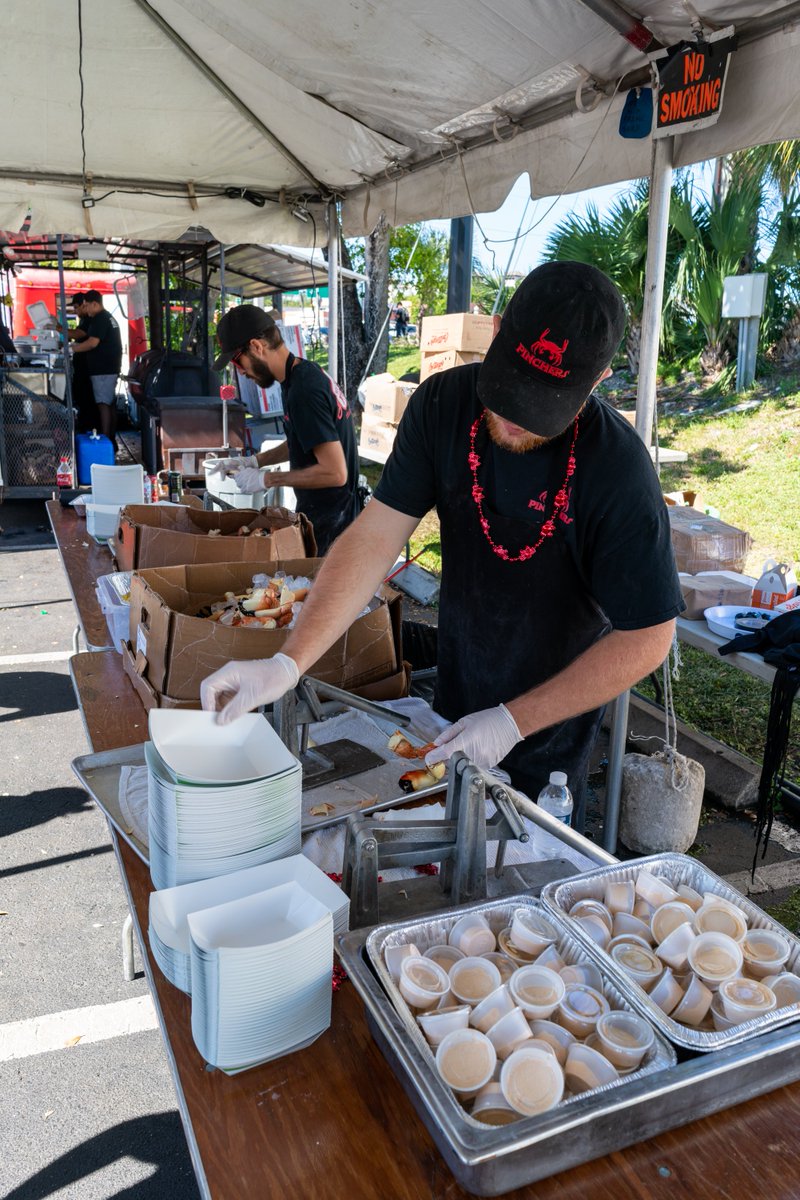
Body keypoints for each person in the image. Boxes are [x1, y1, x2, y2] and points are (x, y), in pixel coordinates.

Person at [201, 263, 684, 830]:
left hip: (551, 726)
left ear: (597, 379)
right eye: (510, 389)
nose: (512, 418)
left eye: (541, 404)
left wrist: (510, 722)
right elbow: (375, 537)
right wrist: (289, 660)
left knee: (519, 861)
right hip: (456, 690)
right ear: (497, 329)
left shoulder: (618, 468)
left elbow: (650, 634)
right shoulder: (442, 406)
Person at [208, 305, 361, 555]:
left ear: (257, 347)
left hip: (335, 526)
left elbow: (335, 473)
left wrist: (267, 479)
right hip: (324, 517)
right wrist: (254, 461)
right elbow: (303, 440)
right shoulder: (297, 375)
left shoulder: (304, 389)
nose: (241, 373)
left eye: (238, 361)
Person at [71, 289, 122, 444]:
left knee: (103, 404)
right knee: (108, 403)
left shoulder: (100, 318)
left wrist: (72, 348)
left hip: (103, 368)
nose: (85, 309)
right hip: (109, 367)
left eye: (86, 305)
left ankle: (105, 440)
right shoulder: (107, 317)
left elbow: (92, 343)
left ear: (95, 304)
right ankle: (110, 439)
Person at [61, 293, 98, 432]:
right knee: (82, 399)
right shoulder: (83, 319)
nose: (75, 311)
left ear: (84, 305)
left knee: (87, 399)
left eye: (77, 307)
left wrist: (60, 329)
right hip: (82, 366)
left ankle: (89, 428)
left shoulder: (88, 320)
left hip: (87, 367)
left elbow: (79, 334)